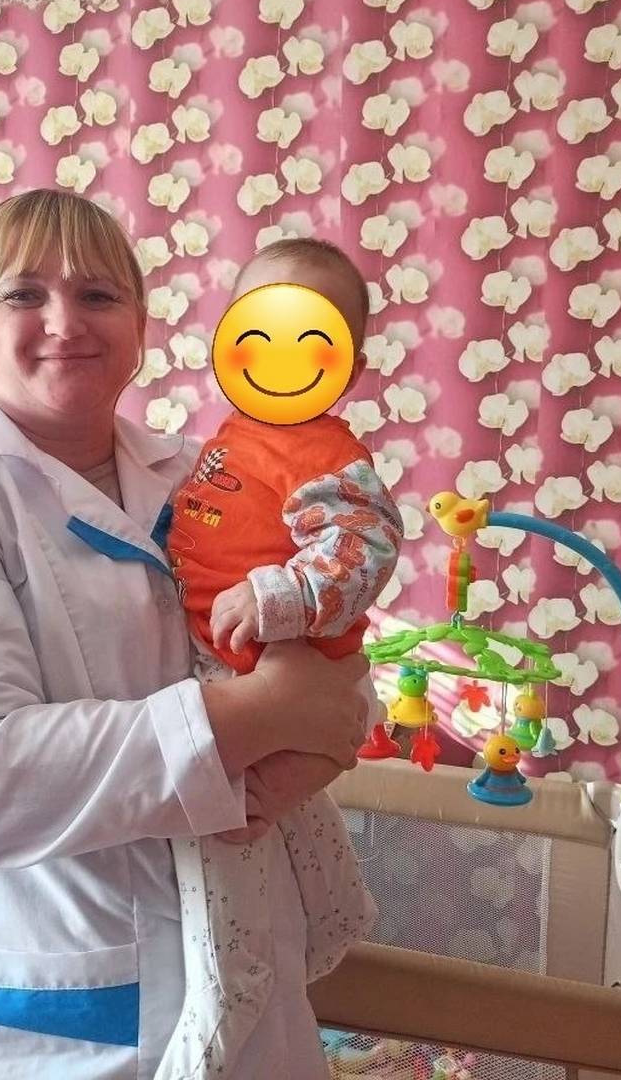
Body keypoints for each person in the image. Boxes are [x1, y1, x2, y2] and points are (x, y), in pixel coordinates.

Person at [0, 190, 371, 1080]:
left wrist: (323, 717)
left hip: (250, 958)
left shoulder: (208, 474)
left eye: (98, 295)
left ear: (140, 331)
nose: (66, 322)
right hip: (47, 1007)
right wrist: (267, 711)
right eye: (23, 294)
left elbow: (333, 653)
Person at [160, 240, 403, 1080]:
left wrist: (279, 596)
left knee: (223, 833)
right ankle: (337, 919)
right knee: (292, 814)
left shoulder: (324, 453)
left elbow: (365, 545)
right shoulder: (232, 436)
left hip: (272, 661)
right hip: (232, 663)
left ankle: (219, 1010)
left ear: (350, 368)